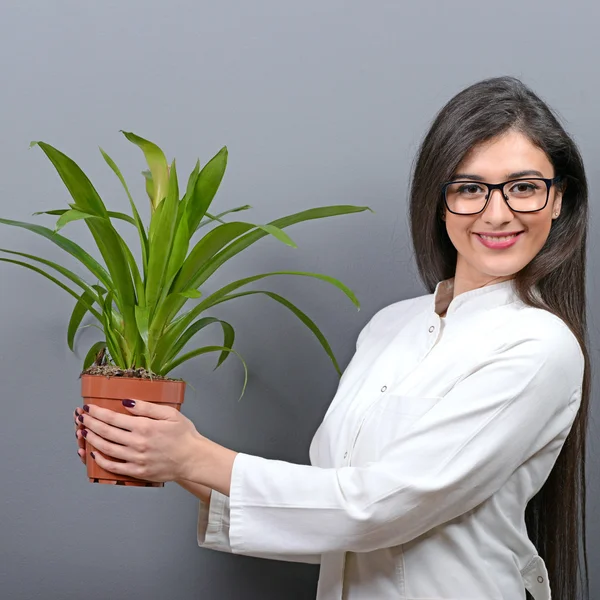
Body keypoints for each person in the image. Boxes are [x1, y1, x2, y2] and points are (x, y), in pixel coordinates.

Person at [73, 76, 590, 600]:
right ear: (439, 202)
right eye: (469, 188)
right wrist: (160, 455)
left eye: (524, 187)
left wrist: (193, 456)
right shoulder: (391, 327)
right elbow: (328, 516)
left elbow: (379, 508)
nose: (497, 212)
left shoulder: (539, 346)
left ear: (557, 200)